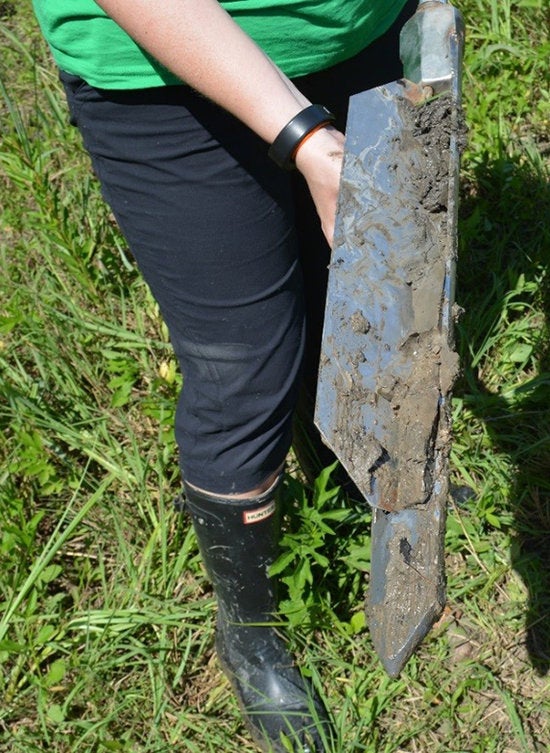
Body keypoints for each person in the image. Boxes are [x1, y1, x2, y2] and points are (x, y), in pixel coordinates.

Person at [32, 1, 415, 751]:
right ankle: (251, 626)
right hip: (167, 71)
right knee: (247, 366)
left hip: (358, 34)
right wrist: (305, 136)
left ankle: (353, 480)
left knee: (356, 296)